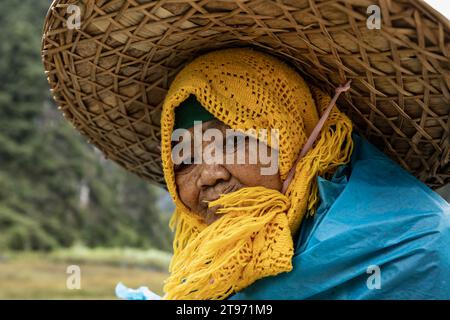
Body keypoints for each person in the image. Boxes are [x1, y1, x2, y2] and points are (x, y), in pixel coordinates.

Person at [41, 0, 450, 300]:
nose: (209, 174)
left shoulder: (415, 248)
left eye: (235, 139)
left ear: (296, 137)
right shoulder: (205, 272)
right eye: (184, 157)